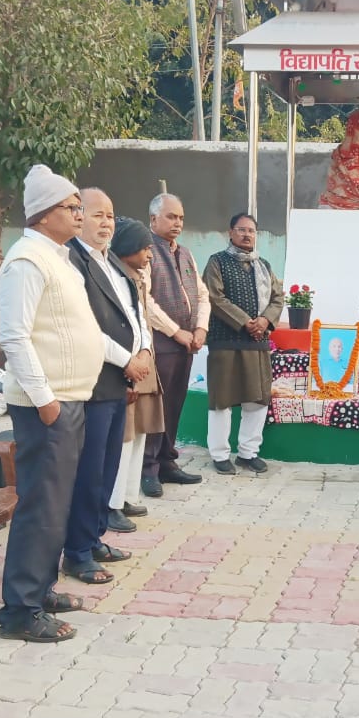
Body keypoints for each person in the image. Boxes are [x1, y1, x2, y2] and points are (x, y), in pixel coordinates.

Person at [0, 164, 105, 643]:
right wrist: (45, 401)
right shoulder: (26, 261)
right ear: (43, 214)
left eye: (79, 206)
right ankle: (20, 610)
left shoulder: (58, 258)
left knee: (57, 505)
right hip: (47, 405)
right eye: (71, 207)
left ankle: (41, 590)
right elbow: (14, 337)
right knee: (41, 506)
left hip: (69, 398)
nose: (80, 214)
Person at [60, 188, 147, 583]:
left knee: (108, 467)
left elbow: (134, 313)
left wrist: (143, 348)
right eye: (98, 215)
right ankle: (77, 551)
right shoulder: (72, 260)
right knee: (89, 470)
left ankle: (94, 537)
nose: (106, 223)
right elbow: (86, 326)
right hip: (92, 383)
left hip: (118, 382)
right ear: (78, 216)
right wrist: (128, 359)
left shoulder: (109, 260)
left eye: (111, 216)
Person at [203, 211, 285, 473]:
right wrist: (245, 322)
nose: (247, 235)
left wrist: (265, 321)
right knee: (222, 401)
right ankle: (220, 455)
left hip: (257, 343)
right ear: (231, 232)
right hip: (225, 341)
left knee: (257, 400)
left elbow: (277, 298)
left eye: (251, 230)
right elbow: (214, 297)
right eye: (241, 229)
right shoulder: (217, 262)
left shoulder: (265, 266)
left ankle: (248, 453)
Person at [141, 192, 209, 498]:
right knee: (156, 407)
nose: (177, 223)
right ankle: (148, 468)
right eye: (171, 217)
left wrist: (200, 328)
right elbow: (146, 301)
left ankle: (167, 462)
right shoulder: (145, 252)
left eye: (180, 217)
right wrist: (175, 332)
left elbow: (202, 294)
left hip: (187, 344)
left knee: (175, 404)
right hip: (161, 344)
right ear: (153, 219)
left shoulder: (186, 253)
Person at [107, 218, 166, 530]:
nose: (149, 255)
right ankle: (111, 504)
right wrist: (129, 366)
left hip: (143, 362)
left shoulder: (137, 276)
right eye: (144, 248)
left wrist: (144, 355)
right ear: (128, 247)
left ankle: (127, 496)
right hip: (124, 367)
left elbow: (143, 322)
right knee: (123, 437)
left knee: (140, 431)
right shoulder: (113, 276)